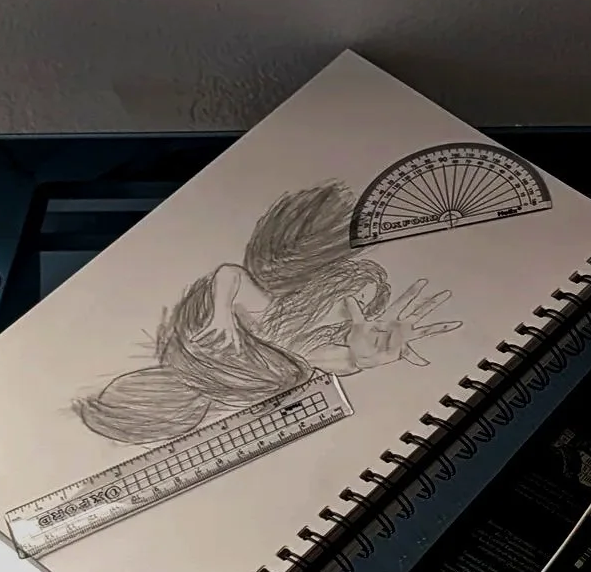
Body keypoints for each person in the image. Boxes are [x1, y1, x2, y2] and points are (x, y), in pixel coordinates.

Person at [73, 181, 461, 444]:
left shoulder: (206, 344)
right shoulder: (243, 376)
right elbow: (319, 359)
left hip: (305, 275)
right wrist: (361, 356)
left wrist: (223, 314)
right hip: (326, 296)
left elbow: (233, 277)